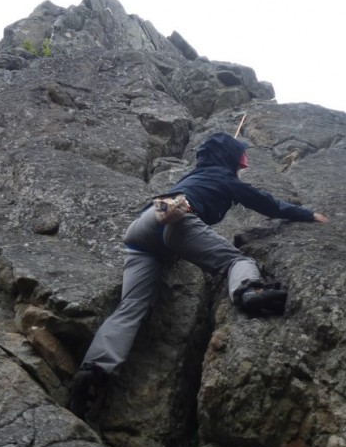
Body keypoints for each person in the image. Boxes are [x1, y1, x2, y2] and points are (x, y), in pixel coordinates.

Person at [69, 131, 328, 419]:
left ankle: (94, 370)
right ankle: (250, 290)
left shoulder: (195, 175)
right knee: (235, 261)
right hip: (177, 222)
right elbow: (267, 204)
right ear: (232, 159)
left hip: (142, 229)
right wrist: (306, 214)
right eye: (241, 157)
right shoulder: (225, 180)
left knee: (131, 307)